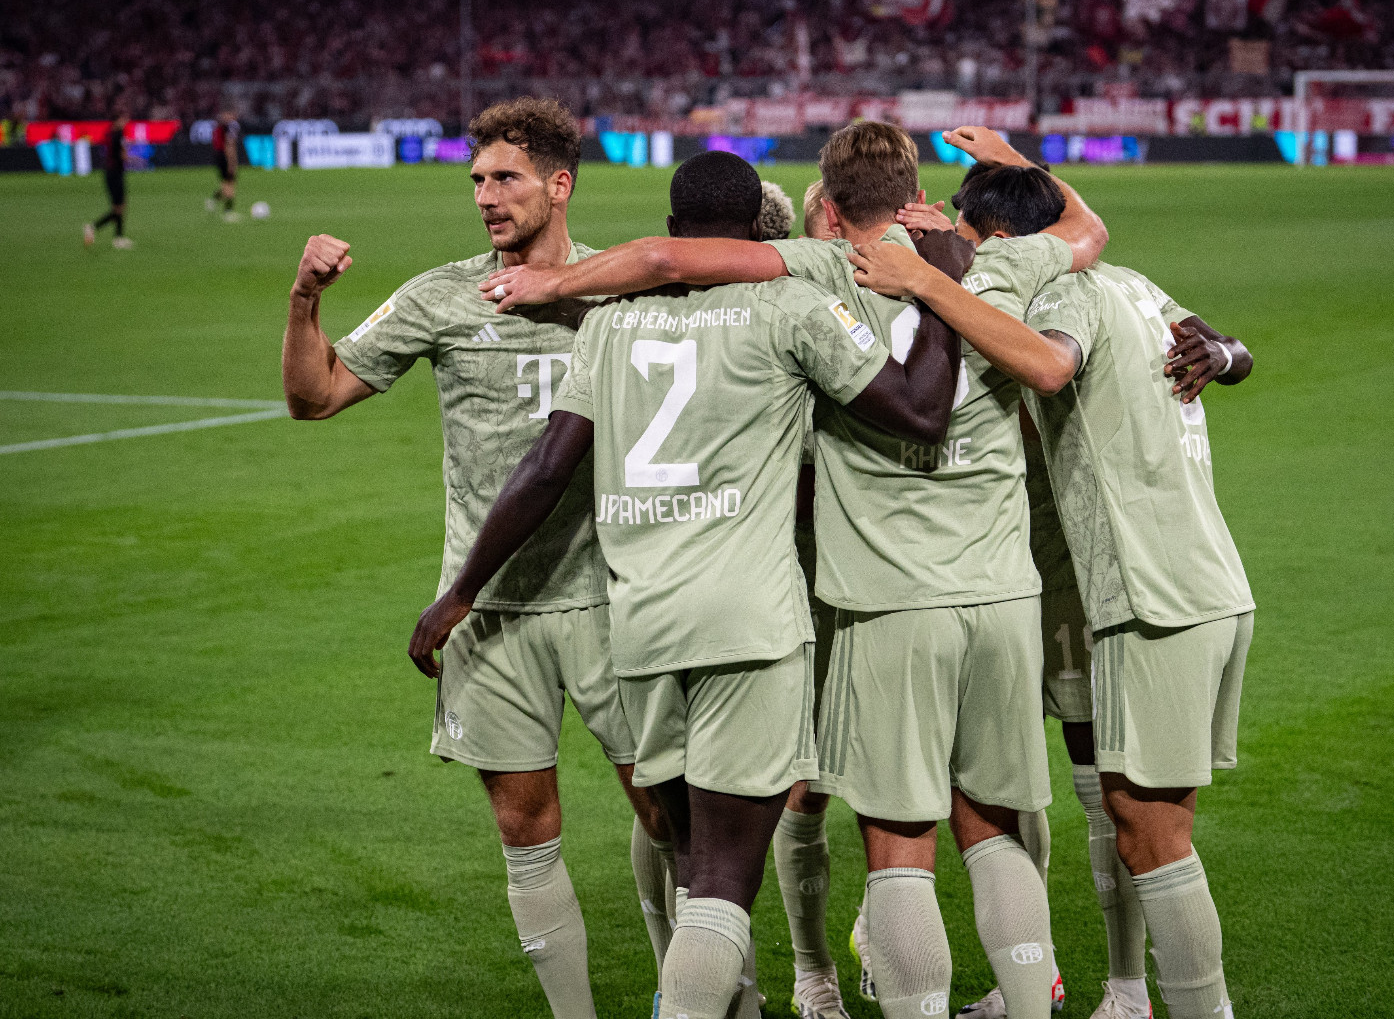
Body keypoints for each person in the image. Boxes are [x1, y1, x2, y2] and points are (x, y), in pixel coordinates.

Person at [476, 121, 1109, 1019]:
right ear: (916, 194)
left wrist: (557, 281)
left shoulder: (820, 275)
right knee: (996, 829)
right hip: (1003, 592)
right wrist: (1006, 168)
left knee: (883, 851)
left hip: (869, 603)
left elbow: (665, 260)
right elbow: (1085, 232)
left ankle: (802, 983)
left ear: (829, 208)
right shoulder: (1006, 266)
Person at [408, 148, 967, 1019]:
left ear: (676, 229)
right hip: (748, 626)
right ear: (754, 235)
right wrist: (942, 294)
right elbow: (920, 412)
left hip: (640, 625)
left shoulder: (610, 324)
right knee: (720, 884)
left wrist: (460, 592)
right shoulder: (788, 305)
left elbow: (547, 467)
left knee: (690, 855)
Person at [279, 97, 679, 1019]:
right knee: (524, 828)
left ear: (559, 184)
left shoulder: (622, 287)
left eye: (506, 178)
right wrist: (304, 299)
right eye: (477, 181)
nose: (486, 197)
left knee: (669, 812)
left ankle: (687, 994)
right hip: (491, 614)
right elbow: (314, 396)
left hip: (615, 598)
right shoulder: (441, 296)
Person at [849, 134, 1256, 1019]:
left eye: (967, 235)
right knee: (1123, 811)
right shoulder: (1134, 285)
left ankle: (1176, 1003)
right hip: (1195, 579)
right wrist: (1226, 356)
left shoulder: (1062, 293)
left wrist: (927, 281)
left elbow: (1046, 363)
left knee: (1152, 833)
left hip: (1149, 591)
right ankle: (1113, 993)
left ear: (1002, 241)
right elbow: (1227, 346)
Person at [84, 112, 133, 250]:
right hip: (116, 173)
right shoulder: (119, 134)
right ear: (118, 120)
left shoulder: (109, 133)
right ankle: (96, 228)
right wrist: (134, 159)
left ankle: (117, 237)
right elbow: (123, 154)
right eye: (123, 120)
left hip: (109, 172)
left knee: (118, 207)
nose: (125, 122)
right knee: (119, 207)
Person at [209, 110, 242, 220]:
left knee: (226, 184)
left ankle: (214, 199)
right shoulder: (230, 127)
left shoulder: (219, 126)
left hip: (219, 156)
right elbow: (230, 145)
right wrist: (232, 162)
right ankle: (228, 212)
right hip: (224, 157)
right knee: (230, 184)